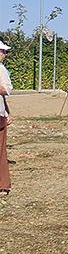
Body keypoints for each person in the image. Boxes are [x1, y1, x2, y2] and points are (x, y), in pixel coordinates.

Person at [0, 38, 13, 195]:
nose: (5, 54)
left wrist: (8, 112)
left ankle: (3, 185)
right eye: (3, 51)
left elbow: (6, 89)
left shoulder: (1, 69)